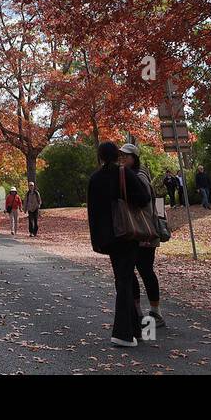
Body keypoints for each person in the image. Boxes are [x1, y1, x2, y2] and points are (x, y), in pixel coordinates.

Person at [86, 140, 151, 347]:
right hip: (127, 233)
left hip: (108, 237)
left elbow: (92, 212)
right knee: (124, 279)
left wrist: (97, 240)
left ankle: (135, 328)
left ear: (100, 157)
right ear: (117, 156)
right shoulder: (124, 173)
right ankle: (123, 333)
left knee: (122, 278)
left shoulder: (94, 179)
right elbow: (144, 197)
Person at [120, 143, 165, 329]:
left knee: (145, 271)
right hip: (134, 232)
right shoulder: (128, 176)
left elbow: (144, 201)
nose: (123, 158)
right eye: (121, 156)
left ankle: (156, 312)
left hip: (145, 232)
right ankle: (138, 311)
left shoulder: (140, 177)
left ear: (135, 158)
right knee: (131, 271)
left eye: (126, 156)